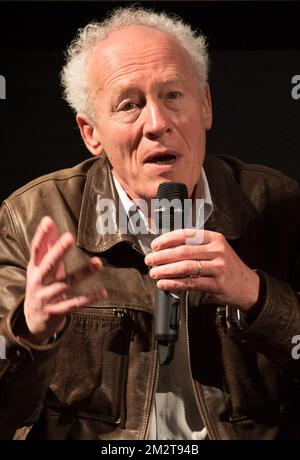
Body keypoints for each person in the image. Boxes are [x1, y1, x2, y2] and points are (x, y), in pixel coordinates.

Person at [0, 6, 300, 441]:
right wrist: (31, 332)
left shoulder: (282, 206)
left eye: (174, 95)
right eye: (129, 105)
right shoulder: (30, 218)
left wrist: (256, 296)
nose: (158, 123)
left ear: (206, 106)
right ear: (91, 133)